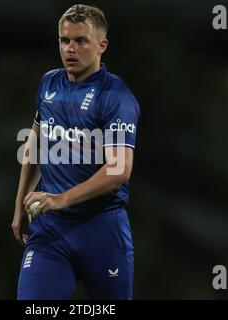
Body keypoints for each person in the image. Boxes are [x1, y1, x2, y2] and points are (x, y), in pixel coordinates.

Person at [12, 4, 140, 299]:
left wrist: (60, 199)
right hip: (51, 232)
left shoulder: (116, 96)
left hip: (103, 230)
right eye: (64, 40)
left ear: (101, 45)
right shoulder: (49, 83)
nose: (70, 48)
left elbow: (119, 169)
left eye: (80, 40)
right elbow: (35, 143)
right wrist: (19, 202)